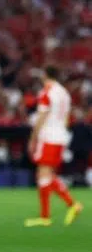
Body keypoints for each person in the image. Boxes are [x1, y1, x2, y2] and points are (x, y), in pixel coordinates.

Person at [25, 67, 82, 227]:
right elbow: (66, 118)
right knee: (46, 174)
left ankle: (49, 214)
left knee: (43, 175)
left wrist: (33, 138)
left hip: (49, 136)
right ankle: (59, 210)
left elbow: (41, 117)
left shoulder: (46, 93)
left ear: (45, 75)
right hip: (61, 136)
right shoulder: (64, 93)